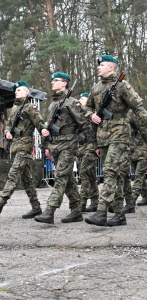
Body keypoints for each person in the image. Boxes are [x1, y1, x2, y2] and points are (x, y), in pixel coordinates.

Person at [84, 54, 147, 227]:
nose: (98, 67)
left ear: (111, 68)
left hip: (120, 134)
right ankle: (119, 214)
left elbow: (138, 108)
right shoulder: (96, 88)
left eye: (102, 65)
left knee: (109, 171)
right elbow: (87, 107)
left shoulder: (122, 86)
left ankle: (101, 212)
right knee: (114, 174)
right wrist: (91, 115)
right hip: (103, 135)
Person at [34, 72, 86, 224]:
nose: (52, 82)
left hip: (68, 145)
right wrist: (45, 144)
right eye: (52, 80)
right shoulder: (52, 104)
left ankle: (49, 211)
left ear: (64, 83)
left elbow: (83, 123)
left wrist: (92, 144)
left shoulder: (71, 102)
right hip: (55, 146)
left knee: (60, 177)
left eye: (55, 80)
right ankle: (76, 210)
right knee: (68, 179)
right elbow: (49, 127)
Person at [0, 81, 46, 218]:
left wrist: (44, 133)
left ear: (26, 93)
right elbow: (9, 125)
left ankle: (1, 201)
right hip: (15, 145)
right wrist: (7, 132)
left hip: (25, 146)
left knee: (13, 175)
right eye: (16, 90)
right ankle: (36, 206)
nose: (16, 92)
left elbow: (39, 123)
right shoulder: (14, 108)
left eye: (19, 90)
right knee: (26, 180)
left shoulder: (29, 107)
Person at [77, 92, 99, 212]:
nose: (80, 100)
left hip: (91, 146)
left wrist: (98, 145)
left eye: (83, 99)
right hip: (81, 148)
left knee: (84, 173)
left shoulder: (92, 115)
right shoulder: (78, 114)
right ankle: (95, 201)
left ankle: (82, 203)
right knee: (90, 176)